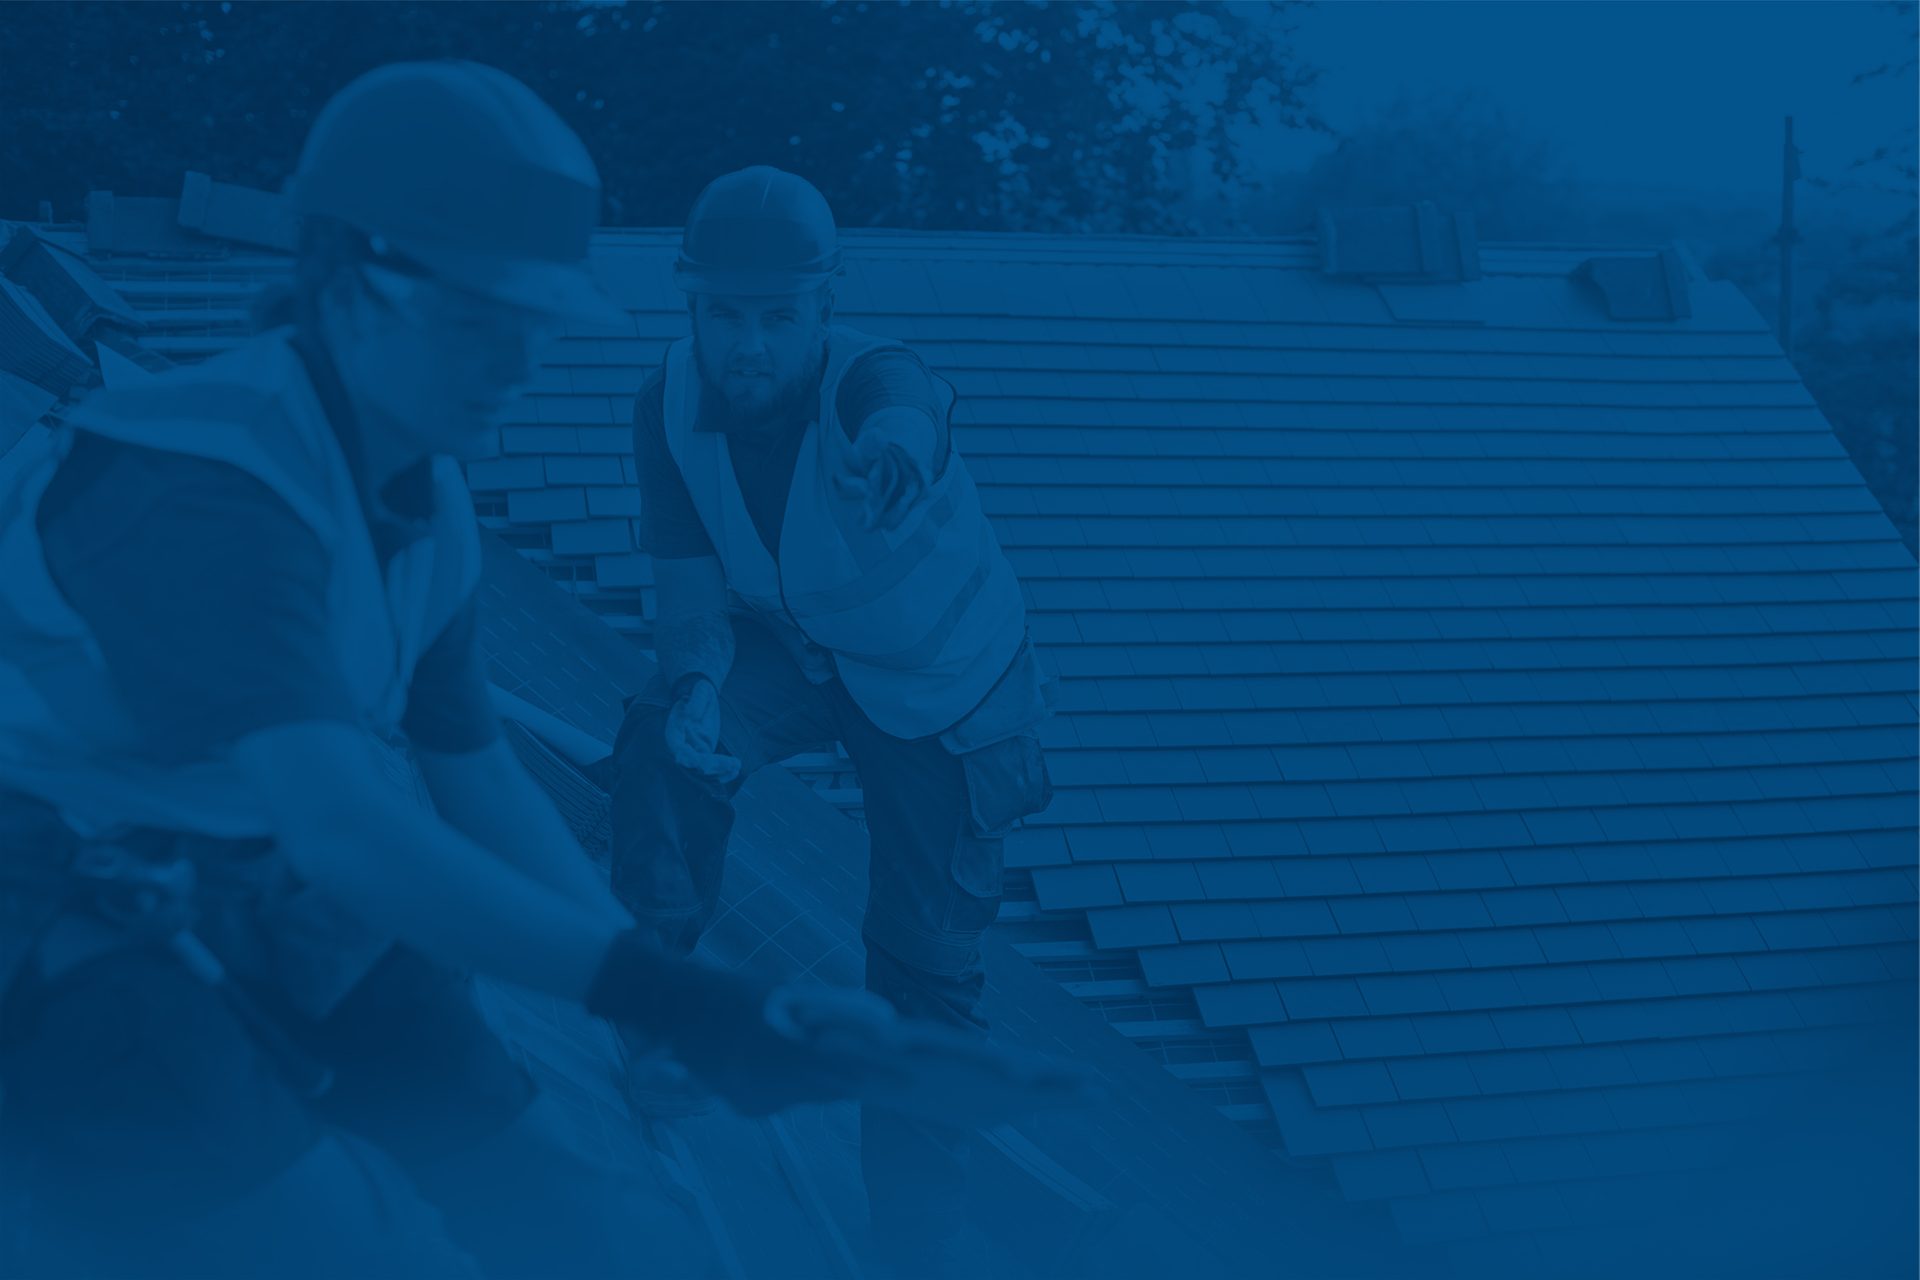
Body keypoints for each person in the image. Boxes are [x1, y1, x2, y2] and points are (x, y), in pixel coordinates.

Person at [0, 64, 927, 1279]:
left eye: (535, 323)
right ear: (345, 277)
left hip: (246, 883)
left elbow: (475, 779)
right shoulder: (206, 484)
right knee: (338, 1243)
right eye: (479, 318)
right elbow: (345, 826)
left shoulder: (418, 492)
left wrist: (644, 1001)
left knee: (563, 1206)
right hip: (54, 912)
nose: (517, 362)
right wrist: (691, 1001)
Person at [611, 165, 1056, 1278]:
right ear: (690, 303)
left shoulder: (875, 383)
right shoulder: (667, 404)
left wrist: (897, 446)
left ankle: (914, 1251)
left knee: (919, 977)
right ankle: (656, 1021)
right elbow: (685, 599)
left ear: (824, 303)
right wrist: (704, 684)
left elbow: (904, 405)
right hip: (796, 650)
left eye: (778, 317)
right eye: (725, 316)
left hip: (940, 689)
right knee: (665, 739)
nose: (748, 346)